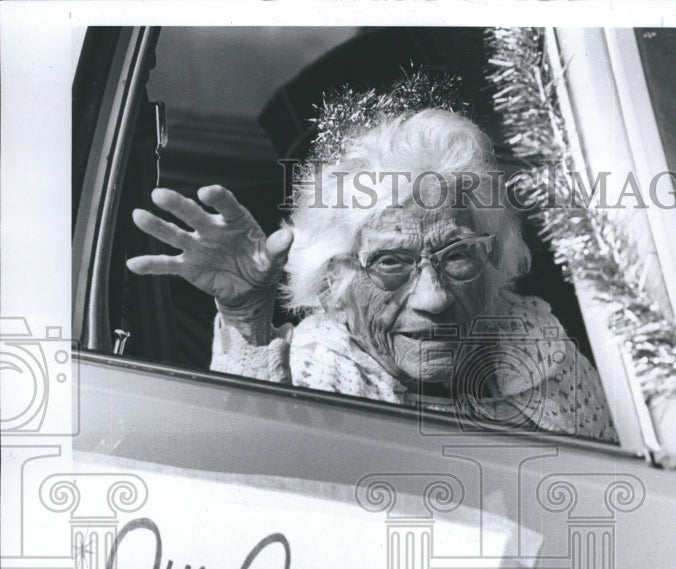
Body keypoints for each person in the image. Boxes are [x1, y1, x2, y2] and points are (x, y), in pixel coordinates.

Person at [128, 106, 616, 440]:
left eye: (457, 256)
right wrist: (243, 318)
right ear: (335, 284)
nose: (434, 298)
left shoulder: (547, 354)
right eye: (391, 263)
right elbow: (245, 481)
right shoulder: (305, 376)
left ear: (492, 263)